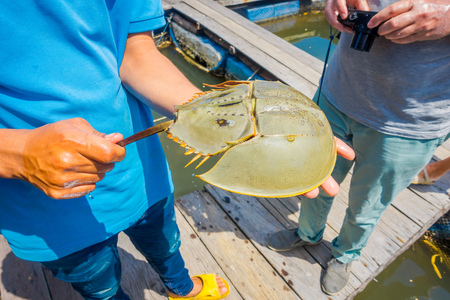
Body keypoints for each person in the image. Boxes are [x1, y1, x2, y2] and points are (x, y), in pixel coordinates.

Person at [0, 1, 352, 299]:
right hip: (41, 204)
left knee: (165, 244)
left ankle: (181, 289)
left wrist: (217, 114)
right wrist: (16, 151)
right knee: (98, 283)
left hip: (139, 169)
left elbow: (133, 52)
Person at [266, 0, 450, 296]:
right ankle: (308, 234)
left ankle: (344, 256)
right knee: (312, 181)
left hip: (410, 120)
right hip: (336, 92)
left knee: (367, 206)